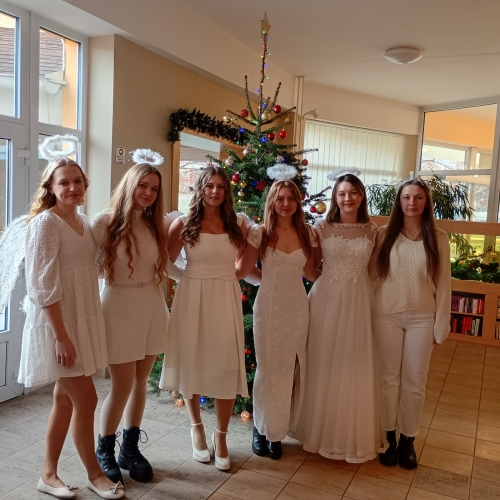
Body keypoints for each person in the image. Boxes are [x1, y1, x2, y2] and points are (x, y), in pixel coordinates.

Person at [18, 158, 124, 499]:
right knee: (87, 399)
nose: (72, 188)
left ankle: (48, 475)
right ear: (50, 188)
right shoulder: (46, 224)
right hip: (58, 326)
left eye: (77, 181)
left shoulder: (81, 222)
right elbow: (41, 286)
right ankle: (96, 474)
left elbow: (89, 270)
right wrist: (61, 337)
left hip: (80, 318)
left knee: (64, 399)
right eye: (63, 182)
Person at [288, 173, 384, 463]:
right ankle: (318, 430)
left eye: (353, 192)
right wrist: (330, 282)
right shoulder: (321, 227)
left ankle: (347, 434)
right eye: (342, 193)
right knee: (323, 360)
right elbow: (309, 268)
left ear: (361, 196)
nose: (347, 198)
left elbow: (376, 269)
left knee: (353, 363)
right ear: (335, 197)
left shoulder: (372, 230)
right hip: (325, 301)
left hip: (358, 302)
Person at [160, 165, 248, 471]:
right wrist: (188, 278)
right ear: (200, 189)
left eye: (221, 187)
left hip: (225, 295)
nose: (214, 191)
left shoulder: (238, 223)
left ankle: (220, 435)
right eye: (209, 186)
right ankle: (196, 427)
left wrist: (225, 277)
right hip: (192, 296)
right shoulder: (183, 223)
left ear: (227, 191)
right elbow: (166, 263)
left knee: (225, 364)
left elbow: (244, 265)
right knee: (192, 361)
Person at [90, 158, 169, 484]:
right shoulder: (103, 223)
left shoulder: (156, 225)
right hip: (118, 307)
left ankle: (130, 448)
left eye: (154, 189)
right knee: (121, 385)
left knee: (140, 383)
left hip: (151, 306)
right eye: (142, 186)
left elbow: (168, 266)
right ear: (129, 185)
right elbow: (84, 267)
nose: (148, 193)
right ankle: (105, 450)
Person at [236, 180, 319, 460]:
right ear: (272, 201)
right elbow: (243, 270)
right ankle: (261, 429)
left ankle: (278, 431)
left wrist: (341, 286)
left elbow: (311, 273)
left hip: (297, 307)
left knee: (289, 370)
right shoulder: (260, 232)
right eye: (280, 198)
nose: (286, 204)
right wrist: (266, 281)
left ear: (298, 202)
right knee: (268, 369)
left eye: (291, 198)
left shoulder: (308, 232)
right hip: (269, 307)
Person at [372, 178, 450, 470]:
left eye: (418, 197)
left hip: (422, 317)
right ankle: (388, 438)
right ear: (399, 201)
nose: (412, 203)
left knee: (415, 380)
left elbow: (444, 284)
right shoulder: (384, 234)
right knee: (388, 378)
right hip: (386, 315)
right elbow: (370, 273)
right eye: (406, 197)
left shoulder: (438, 237)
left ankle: (408, 439)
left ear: (426, 202)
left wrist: (441, 324)